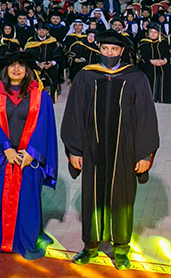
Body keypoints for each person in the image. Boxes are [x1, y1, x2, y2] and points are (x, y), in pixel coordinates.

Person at [61, 30, 159, 270]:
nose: (110, 54)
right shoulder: (85, 76)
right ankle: (90, 245)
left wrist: (145, 154)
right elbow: (73, 113)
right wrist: (74, 150)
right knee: (92, 196)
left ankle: (121, 248)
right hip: (92, 148)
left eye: (114, 50)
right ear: (99, 50)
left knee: (122, 197)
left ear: (122, 51)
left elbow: (146, 116)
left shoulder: (136, 77)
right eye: (105, 49)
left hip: (124, 149)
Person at [0, 51, 58, 260]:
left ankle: (28, 241)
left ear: (27, 70)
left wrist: (32, 152)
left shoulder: (40, 96)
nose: (16, 69)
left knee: (28, 201)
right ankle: (4, 239)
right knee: (1, 200)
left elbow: (44, 126)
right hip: (4, 157)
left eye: (20, 65)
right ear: (5, 70)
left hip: (29, 159)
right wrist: (6, 149)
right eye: (12, 65)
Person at [138, 23, 171, 103]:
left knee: (167, 71)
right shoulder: (144, 43)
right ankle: (150, 98)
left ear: (158, 33)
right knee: (149, 71)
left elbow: (169, 54)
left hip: (163, 64)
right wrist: (151, 61)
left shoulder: (163, 43)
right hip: (148, 64)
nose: (153, 34)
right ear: (148, 33)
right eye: (151, 32)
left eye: (155, 32)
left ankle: (165, 98)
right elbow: (141, 55)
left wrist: (165, 60)